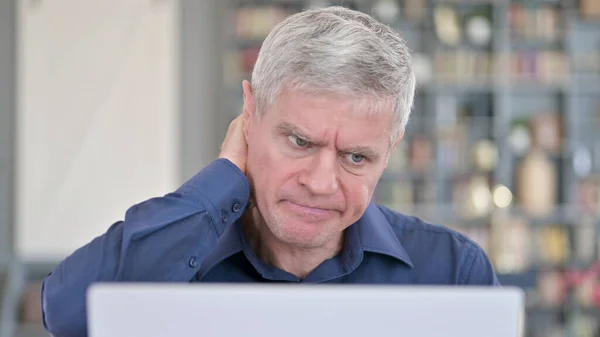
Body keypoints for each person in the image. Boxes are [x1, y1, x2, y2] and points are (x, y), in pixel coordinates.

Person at [41, 5, 500, 337]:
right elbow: (66, 314)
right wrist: (222, 179)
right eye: (300, 142)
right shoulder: (173, 260)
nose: (321, 183)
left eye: (356, 157)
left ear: (390, 149)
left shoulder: (454, 272)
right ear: (250, 114)